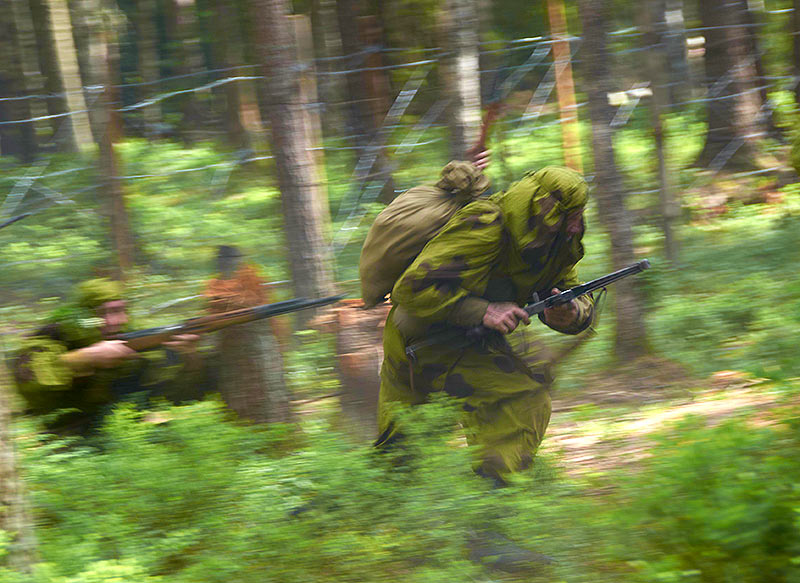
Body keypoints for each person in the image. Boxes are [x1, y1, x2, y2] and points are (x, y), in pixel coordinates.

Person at [375, 164, 595, 486]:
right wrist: (484, 310)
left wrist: (573, 313)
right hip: (422, 340)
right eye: (567, 215)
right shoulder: (485, 225)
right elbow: (410, 289)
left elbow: (570, 290)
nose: (576, 226)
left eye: (579, 215)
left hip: (469, 342)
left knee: (400, 454)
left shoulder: (555, 245)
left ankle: (488, 496)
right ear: (541, 208)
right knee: (519, 400)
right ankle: (493, 501)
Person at [11, 278, 203, 434]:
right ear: (84, 316)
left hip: (122, 433)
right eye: (105, 312)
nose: (116, 321)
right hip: (66, 435)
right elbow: (29, 375)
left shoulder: (132, 337)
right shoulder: (55, 335)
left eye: (121, 310)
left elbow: (176, 395)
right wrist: (85, 357)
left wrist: (189, 357)